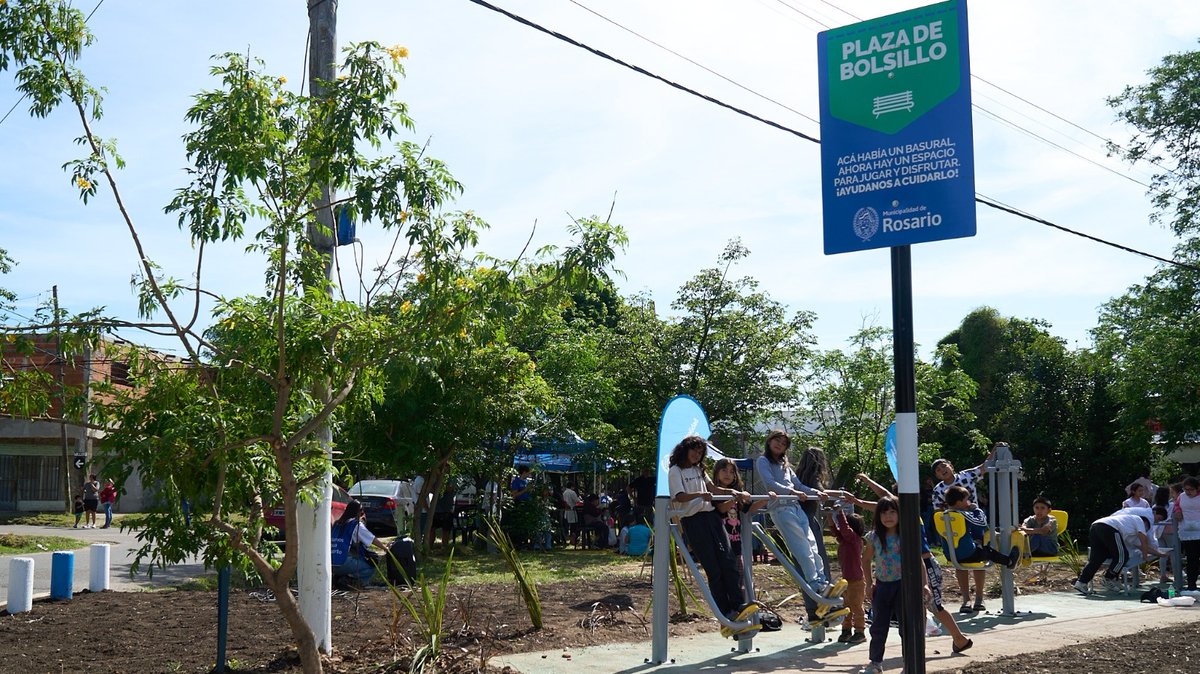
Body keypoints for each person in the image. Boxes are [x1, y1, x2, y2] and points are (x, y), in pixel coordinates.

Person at [851, 473, 974, 655]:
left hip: (924, 563)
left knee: (933, 604)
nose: (889, 514)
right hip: (903, 571)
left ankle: (956, 638)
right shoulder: (889, 525)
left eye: (893, 509)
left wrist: (861, 493)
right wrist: (864, 487)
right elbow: (882, 502)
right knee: (918, 610)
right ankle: (920, 647)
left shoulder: (909, 516)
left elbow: (883, 500)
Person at [668, 434, 750, 621]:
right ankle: (724, 610)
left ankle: (738, 604)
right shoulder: (675, 470)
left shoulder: (699, 469)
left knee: (728, 560)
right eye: (694, 451)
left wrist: (731, 492)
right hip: (694, 520)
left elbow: (713, 489)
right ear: (685, 450)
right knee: (713, 568)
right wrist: (699, 495)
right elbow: (679, 496)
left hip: (711, 517)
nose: (697, 455)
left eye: (700, 452)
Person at [860, 496, 932, 674]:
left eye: (893, 512)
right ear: (878, 516)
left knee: (906, 627)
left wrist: (924, 584)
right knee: (878, 627)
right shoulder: (874, 537)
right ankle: (875, 663)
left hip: (904, 586)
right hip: (882, 586)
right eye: (884, 513)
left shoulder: (906, 535)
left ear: (900, 514)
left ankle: (909, 663)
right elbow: (866, 559)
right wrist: (868, 584)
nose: (888, 516)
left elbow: (918, 560)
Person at [931, 442, 1001, 613]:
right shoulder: (938, 489)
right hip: (956, 527)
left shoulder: (966, 476)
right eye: (938, 471)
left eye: (943, 466)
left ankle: (979, 598)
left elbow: (984, 467)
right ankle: (965, 600)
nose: (942, 471)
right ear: (937, 476)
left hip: (975, 522)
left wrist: (996, 450)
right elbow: (937, 511)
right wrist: (954, 511)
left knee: (980, 558)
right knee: (960, 562)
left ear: (950, 465)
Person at [1073, 508, 1168, 595]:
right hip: (1108, 528)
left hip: (1095, 527)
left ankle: (1081, 582)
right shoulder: (1138, 520)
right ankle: (1109, 578)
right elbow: (1143, 540)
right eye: (1146, 528)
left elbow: (1142, 546)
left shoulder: (1130, 531)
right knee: (1122, 556)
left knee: (1098, 558)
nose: (1146, 530)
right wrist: (1145, 556)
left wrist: (1159, 554)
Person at [943, 486, 1021, 570]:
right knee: (988, 552)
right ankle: (1009, 561)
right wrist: (976, 509)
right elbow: (982, 523)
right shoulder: (962, 515)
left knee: (977, 543)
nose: (968, 502)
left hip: (950, 555)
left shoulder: (943, 516)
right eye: (966, 500)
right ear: (958, 502)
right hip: (968, 555)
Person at [712, 458, 768, 563]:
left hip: (735, 543)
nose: (727, 474)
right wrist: (735, 499)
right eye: (724, 470)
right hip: (719, 542)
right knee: (723, 574)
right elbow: (721, 508)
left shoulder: (736, 493)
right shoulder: (714, 493)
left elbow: (749, 508)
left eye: (731, 472)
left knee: (738, 574)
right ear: (716, 473)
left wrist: (765, 499)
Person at [828, 502, 867, 645]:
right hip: (846, 580)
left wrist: (840, 513)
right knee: (846, 607)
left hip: (856, 580)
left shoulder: (855, 540)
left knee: (856, 607)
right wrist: (830, 516)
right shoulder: (845, 540)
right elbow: (835, 531)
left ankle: (860, 631)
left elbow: (844, 529)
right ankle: (846, 630)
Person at [795, 445, 835, 579]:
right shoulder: (814, 476)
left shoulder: (797, 476)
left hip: (796, 517)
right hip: (808, 519)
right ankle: (824, 584)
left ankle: (810, 591)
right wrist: (842, 494)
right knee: (818, 555)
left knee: (803, 557)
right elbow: (821, 492)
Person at [331, 500, 389, 586]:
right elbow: (372, 539)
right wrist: (385, 548)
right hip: (343, 563)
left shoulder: (337, 523)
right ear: (358, 512)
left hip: (331, 564)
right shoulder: (356, 525)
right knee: (371, 567)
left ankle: (339, 577)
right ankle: (351, 581)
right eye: (361, 511)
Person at [1175, 476, 1200, 592]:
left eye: (1191, 490)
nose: (1188, 492)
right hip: (1187, 532)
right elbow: (1176, 506)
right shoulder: (1181, 496)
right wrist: (1178, 512)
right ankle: (1191, 584)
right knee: (1192, 559)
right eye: (1186, 489)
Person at [561, 482, 581, 546]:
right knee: (574, 526)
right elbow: (577, 501)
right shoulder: (572, 492)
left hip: (566, 511)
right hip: (572, 510)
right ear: (572, 486)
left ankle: (568, 538)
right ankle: (573, 539)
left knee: (567, 526)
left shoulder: (564, 492)